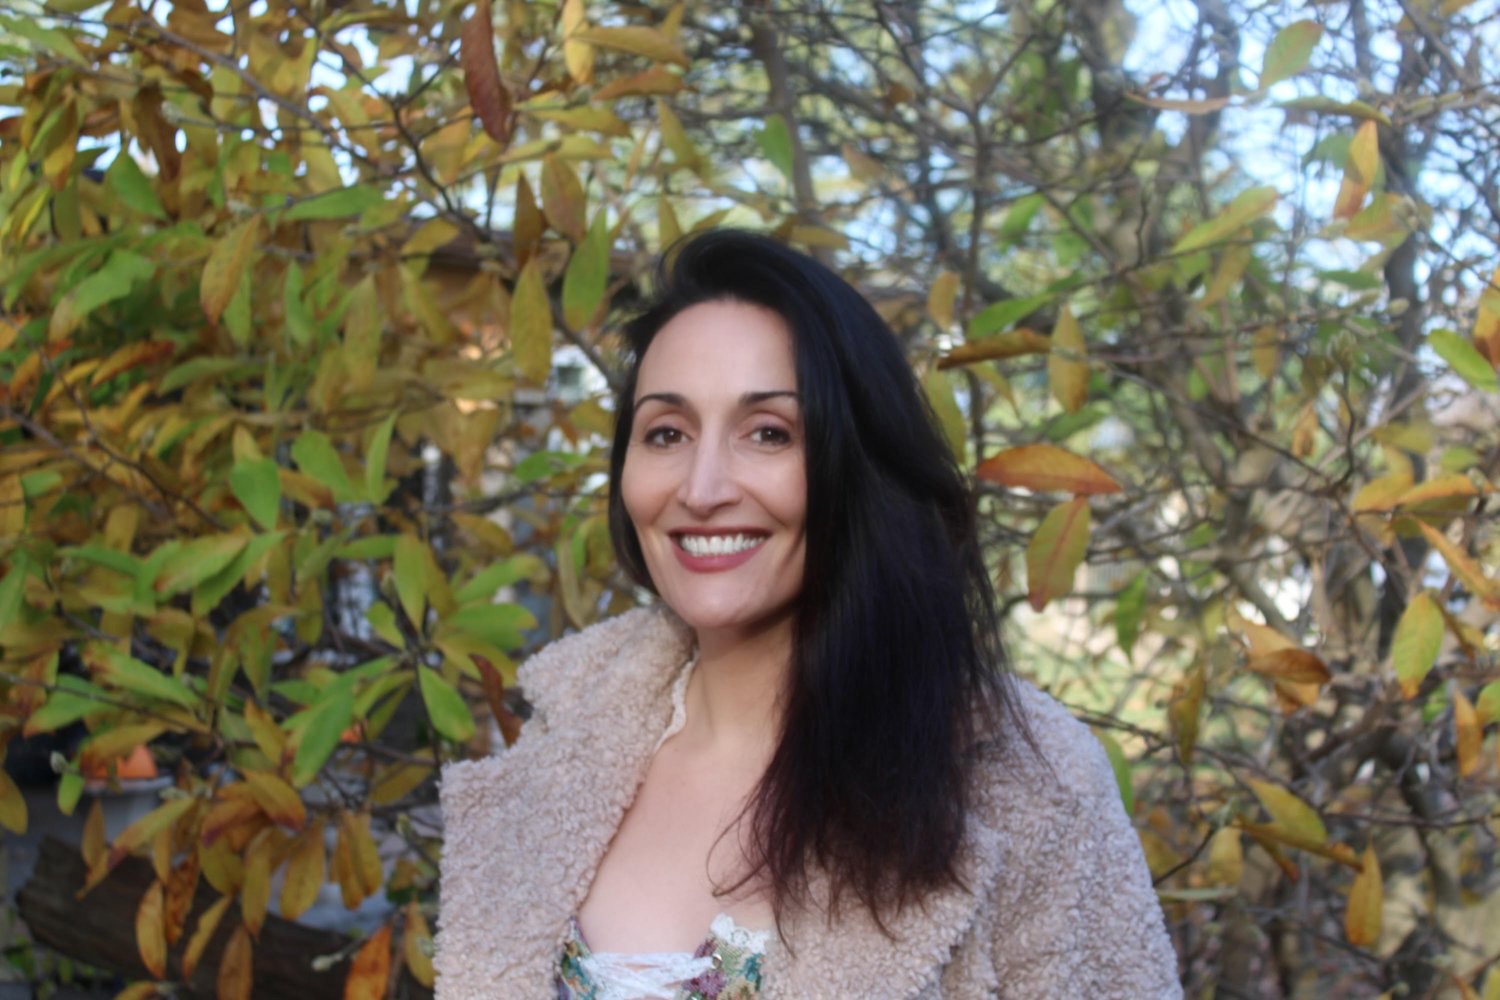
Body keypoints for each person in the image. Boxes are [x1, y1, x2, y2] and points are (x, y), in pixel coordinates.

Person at [436, 231, 1180, 999]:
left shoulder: (1028, 785)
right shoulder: (560, 748)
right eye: (667, 433)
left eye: (769, 433)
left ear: (857, 465)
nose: (702, 486)